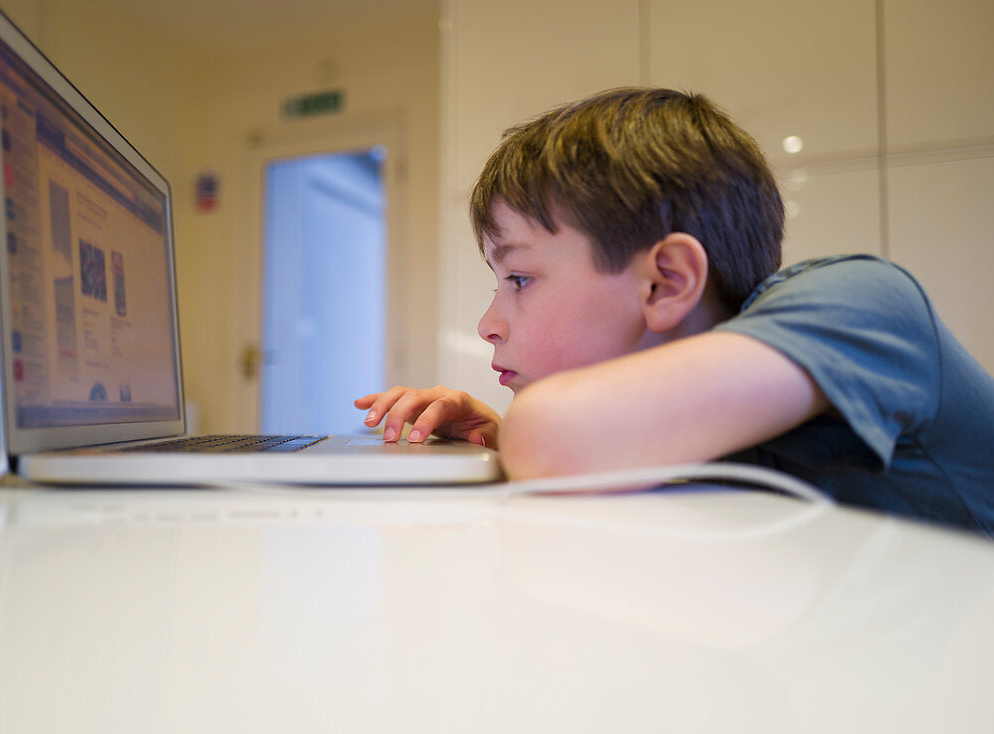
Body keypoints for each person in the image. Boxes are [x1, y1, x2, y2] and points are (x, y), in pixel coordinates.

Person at [354, 87, 994, 534]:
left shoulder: (863, 306)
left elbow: (555, 440)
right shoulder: (711, 404)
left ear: (665, 284)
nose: (488, 323)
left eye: (519, 277)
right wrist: (493, 436)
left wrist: (523, 437)